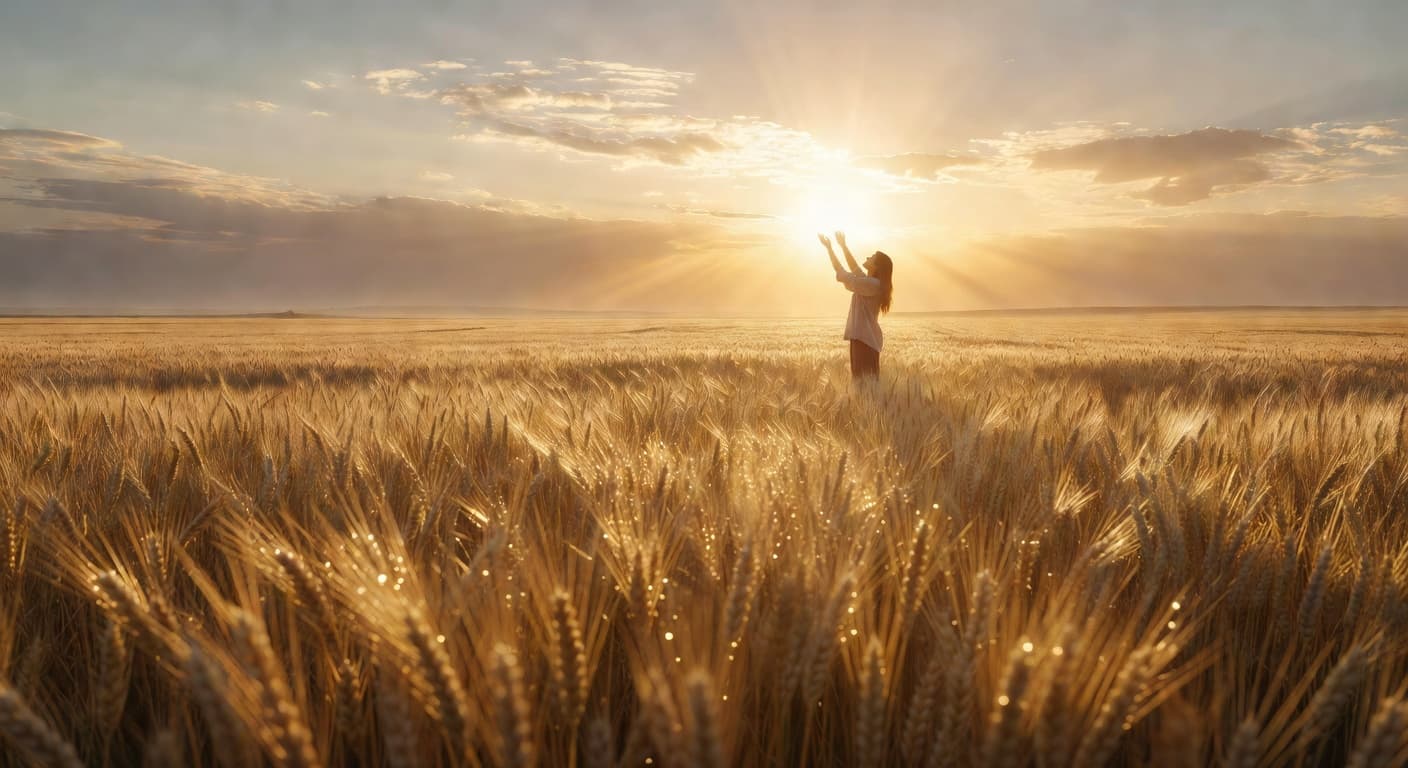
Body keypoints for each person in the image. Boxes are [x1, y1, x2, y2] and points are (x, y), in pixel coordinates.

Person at [819, 231, 893, 379]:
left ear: (877, 266)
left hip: (864, 341)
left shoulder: (872, 284)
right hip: (863, 339)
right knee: (865, 387)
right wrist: (843, 246)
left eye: (871, 257)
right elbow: (854, 269)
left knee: (863, 385)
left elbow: (842, 273)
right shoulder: (871, 283)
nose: (867, 257)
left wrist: (830, 249)